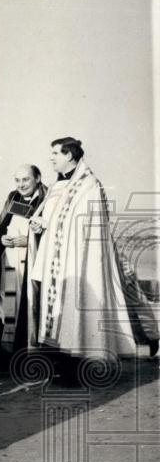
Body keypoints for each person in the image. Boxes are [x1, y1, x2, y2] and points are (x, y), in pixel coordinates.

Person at [27, 138, 158, 379]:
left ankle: (79, 366)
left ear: (70, 156)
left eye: (56, 153)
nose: (51, 157)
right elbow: (56, 221)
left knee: (77, 311)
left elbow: (89, 227)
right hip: (59, 262)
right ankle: (63, 364)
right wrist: (42, 224)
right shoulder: (59, 186)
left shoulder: (89, 186)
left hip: (79, 260)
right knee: (58, 313)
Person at [0, 165, 47, 372]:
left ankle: (25, 359)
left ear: (37, 179)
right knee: (2, 310)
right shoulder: (12, 199)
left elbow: (49, 231)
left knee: (27, 309)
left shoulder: (46, 199)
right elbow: (3, 226)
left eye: (26, 180)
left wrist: (29, 240)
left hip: (30, 264)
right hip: (8, 264)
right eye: (17, 180)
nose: (21, 185)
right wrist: (2, 238)